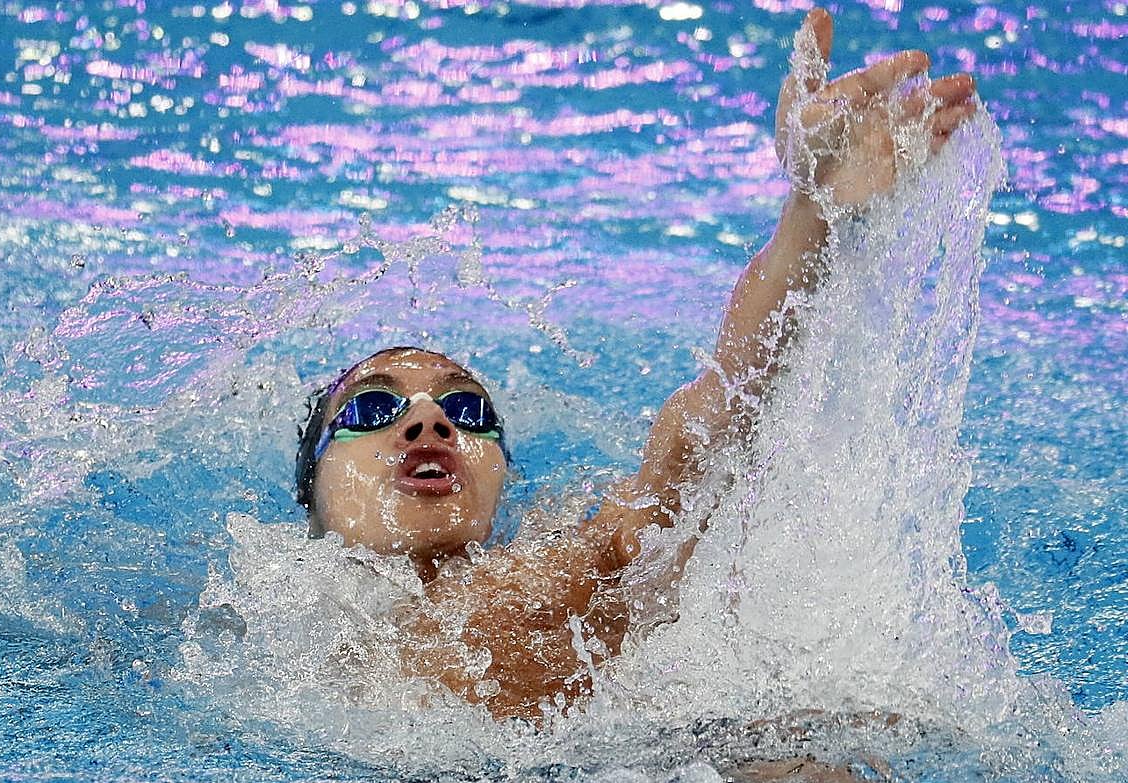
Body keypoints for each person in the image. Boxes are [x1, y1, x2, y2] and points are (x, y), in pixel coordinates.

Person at [293, 8, 979, 723]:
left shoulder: (561, 571)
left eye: (467, 412)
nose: (429, 420)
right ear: (314, 486)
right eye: (375, 409)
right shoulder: (247, 636)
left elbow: (707, 422)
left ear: (501, 478)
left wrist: (814, 209)